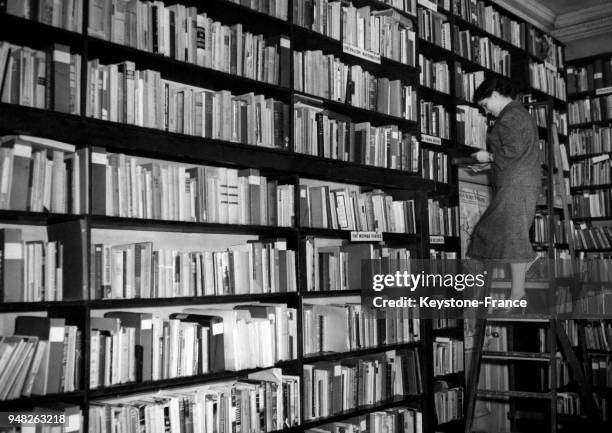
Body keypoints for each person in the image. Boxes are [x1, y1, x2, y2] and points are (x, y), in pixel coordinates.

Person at [467, 77, 541, 306]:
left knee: (489, 231)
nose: (486, 112)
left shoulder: (511, 116)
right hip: (519, 181)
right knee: (512, 235)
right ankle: (517, 291)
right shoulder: (517, 114)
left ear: (496, 95)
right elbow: (515, 153)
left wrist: (486, 156)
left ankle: (525, 268)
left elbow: (514, 150)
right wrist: (490, 163)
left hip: (516, 185)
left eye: (486, 105)